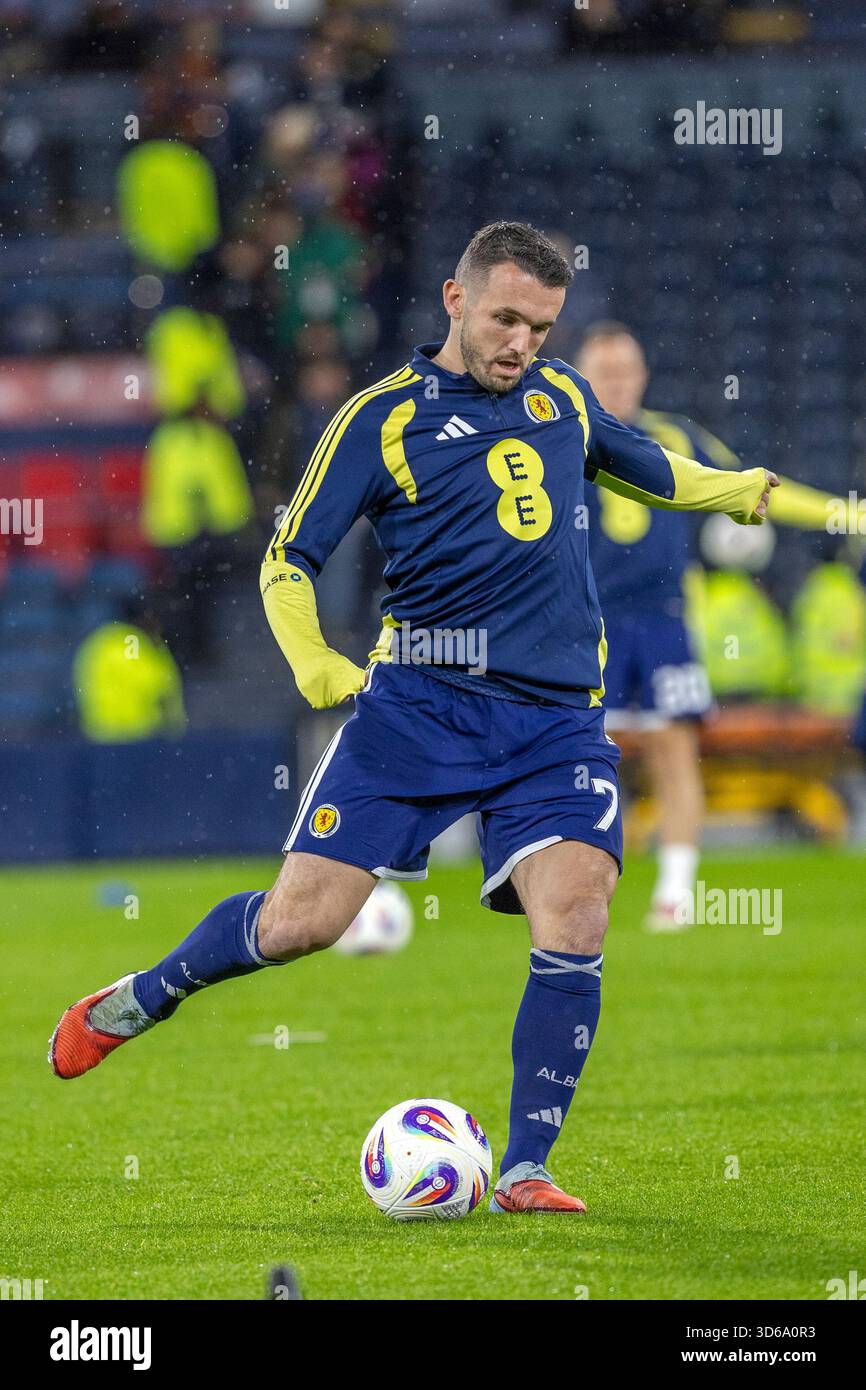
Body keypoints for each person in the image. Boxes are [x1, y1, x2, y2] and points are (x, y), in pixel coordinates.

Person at [49, 222, 776, 1215]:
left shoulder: (560, 394)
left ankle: (524, 1166)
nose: (521, 341)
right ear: (453, 299)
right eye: (505, 318)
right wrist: (311, 657)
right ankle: (144, 994)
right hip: (417, 709)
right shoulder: (376, 420)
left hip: (552, 715)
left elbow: (646, 465)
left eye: (540, 324)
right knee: (303, 922)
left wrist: (732, 489)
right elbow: (285, 558)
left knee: (576, 905)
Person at [576, 321, 838, 931]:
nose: (616, 382)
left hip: (666, 620)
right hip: (590, 624)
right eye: (604, 372)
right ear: (584, 377)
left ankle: (675, 893)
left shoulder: (676, 436)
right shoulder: (565, 437)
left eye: (626, 370)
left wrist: (836, 511)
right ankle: (579, 888)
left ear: (642, 375)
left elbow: (752, 487)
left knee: (675, 749)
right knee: (581, 755)